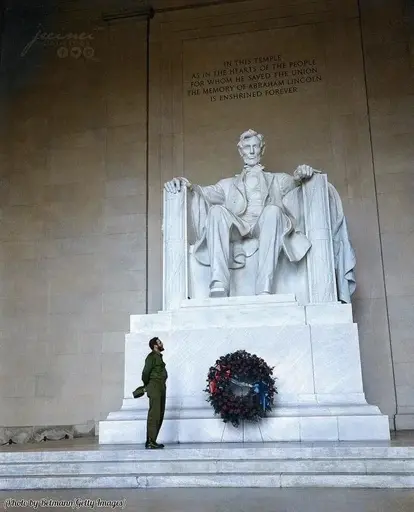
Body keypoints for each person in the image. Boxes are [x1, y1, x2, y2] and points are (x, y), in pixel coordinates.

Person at [164, 129, 315, 297]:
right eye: (247, 147)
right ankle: (219, 283)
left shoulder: (278, 179)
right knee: (216, 211)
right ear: (240, 150)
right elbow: (204, 192)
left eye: (255, 147)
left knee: (273, 211)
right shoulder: (227, 184)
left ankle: (264, 287)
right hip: (239, 227)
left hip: (265, 224)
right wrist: (186, 185)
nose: (251, 151)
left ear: (262, 149)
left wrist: (302, 173)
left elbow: (295, 182)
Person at [141, 337, 168, 449]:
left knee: (160, 413)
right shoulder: (151, 357)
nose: (162, 343)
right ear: (155, 345)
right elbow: (145, 373)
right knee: (154, 414)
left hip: (161, 386)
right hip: (155, 386)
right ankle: (150, 441)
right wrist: (149, 386)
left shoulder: (158, 357)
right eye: (159, 342)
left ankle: (152, 440)